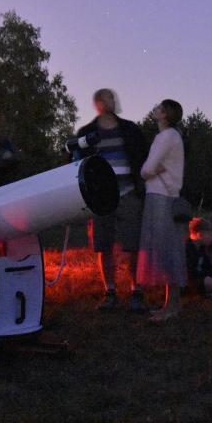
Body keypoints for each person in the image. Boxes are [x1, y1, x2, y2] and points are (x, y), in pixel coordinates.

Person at [74, 89, 149, 311]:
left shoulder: (130, 130)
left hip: (128, 194)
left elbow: (143, 158)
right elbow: (77, 163)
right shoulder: (87, 132)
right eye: (105, 98)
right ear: (97, 104)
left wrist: (141, 186)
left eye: (112, 98)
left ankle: (136, 291)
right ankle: (110, 291)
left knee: (133, 245)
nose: (110, 101)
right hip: (101, 197)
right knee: (103, 245)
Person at [136, 99, 186, 322]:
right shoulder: (173, 137)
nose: (155, 109)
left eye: (158, 108)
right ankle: (170, 304)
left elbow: (146, 170)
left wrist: (152, 170)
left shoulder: (166, 137)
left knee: (166, 250)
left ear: (165, 114)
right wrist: (154, 169)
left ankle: (171, 307)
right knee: (168, 249)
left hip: (160, 197)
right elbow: (151, 169)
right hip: (166, 196)